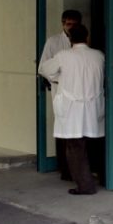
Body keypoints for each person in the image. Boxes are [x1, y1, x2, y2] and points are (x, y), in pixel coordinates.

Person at [38, 23, 105, 195]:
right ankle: (102, 178)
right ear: (87, 38)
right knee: (95, 143)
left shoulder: (63, 56)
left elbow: (44, 69)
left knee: (75, 146)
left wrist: (58, 77)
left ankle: (85, 185)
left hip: (71, 108)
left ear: (69, 39)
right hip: (93, 106)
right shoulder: (98, 55)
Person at [40, 10, 82, 180]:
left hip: (80, 92)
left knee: (79, 130)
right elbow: (44, 67)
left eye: (75, 24)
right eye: (68, 24)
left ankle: (78, 169)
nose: (71, 27)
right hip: (61, 91)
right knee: (63, 129)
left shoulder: (84, 42)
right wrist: (61, 79)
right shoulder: (54, 42)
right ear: (63, 24)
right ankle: (64, 169)